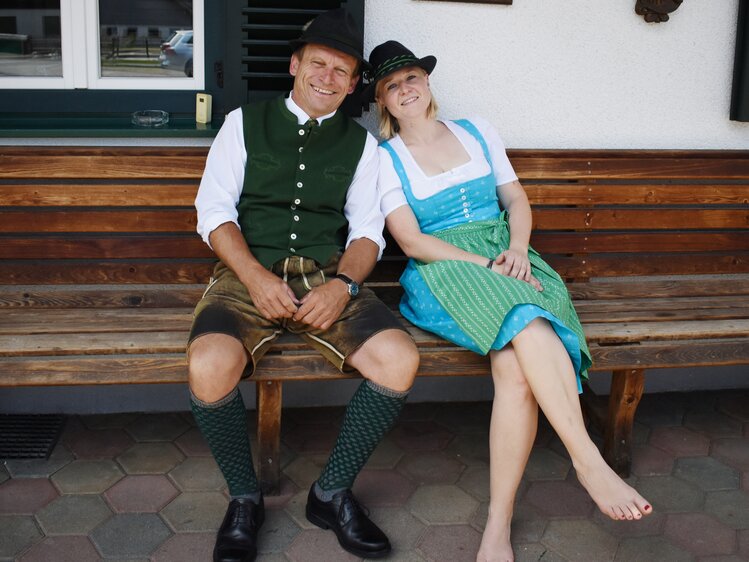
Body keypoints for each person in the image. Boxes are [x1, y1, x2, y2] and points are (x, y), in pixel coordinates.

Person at [365, 40, 653, 562]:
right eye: (391, 85)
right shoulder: (385, 159)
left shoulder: (478, 131)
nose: (405, 89)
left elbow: (516, 199)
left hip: (509, 253)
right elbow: (411, 242)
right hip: (445, 270)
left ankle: (497, 526)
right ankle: (587, 460)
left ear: (426, 83)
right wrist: (486, 266)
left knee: (516, 371)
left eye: (411, 77)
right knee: (524, 316)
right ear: (382, 102)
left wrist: (516, 249)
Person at [188, 13, 419, 562]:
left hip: (325, 276)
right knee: (208, 364)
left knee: (399, 358)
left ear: (354, 82)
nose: (329, 77)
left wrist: (342, 285)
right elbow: (213, 213)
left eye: (343, 71)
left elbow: (367, 232)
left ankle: (331, 492)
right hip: (247, 275)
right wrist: (254, 276)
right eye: (318, 63)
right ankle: (245, 498)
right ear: (295, 65)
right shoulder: (243, 123)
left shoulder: (362, 147)